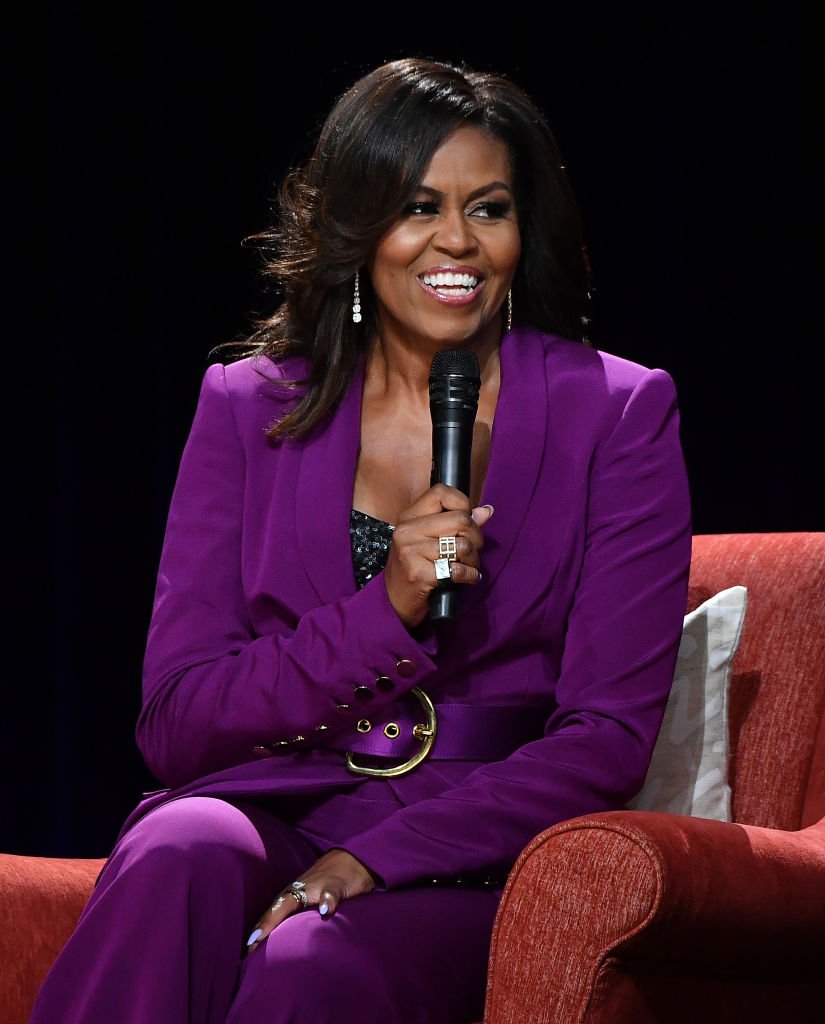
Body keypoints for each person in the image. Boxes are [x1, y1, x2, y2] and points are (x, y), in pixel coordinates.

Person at [30, 56, 692, 1024]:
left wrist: (387, 852)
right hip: (278, 804)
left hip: (474, 856)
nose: (455, 241)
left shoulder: (619, 411)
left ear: (525, 230)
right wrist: (383, 611)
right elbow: (177, 719)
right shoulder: (251, 406)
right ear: (357, 224)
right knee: (183, 845)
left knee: (311, 961)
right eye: (417, 206)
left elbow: (606, 737)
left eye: (491, 208)